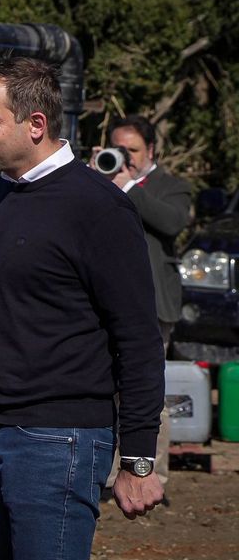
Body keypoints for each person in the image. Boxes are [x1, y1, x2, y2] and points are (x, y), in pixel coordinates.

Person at [0, 57, 164, 560]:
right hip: (4, 431)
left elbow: (137, 338)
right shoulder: (7, 193)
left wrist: (138, 457)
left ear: (37, 123)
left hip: (61, 439)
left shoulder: (95, 207)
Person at [103, 114, 192, 488]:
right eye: (119, 149)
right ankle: (107, 476)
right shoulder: (98, 179)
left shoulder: (171, 186)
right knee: (105, 388)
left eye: (133, 150)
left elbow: (173, 222)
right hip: (106, 302)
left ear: (151, 150)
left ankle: (152, 475)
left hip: (153, 304)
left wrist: (128, 188)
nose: (126, 157)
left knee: (148, 390)